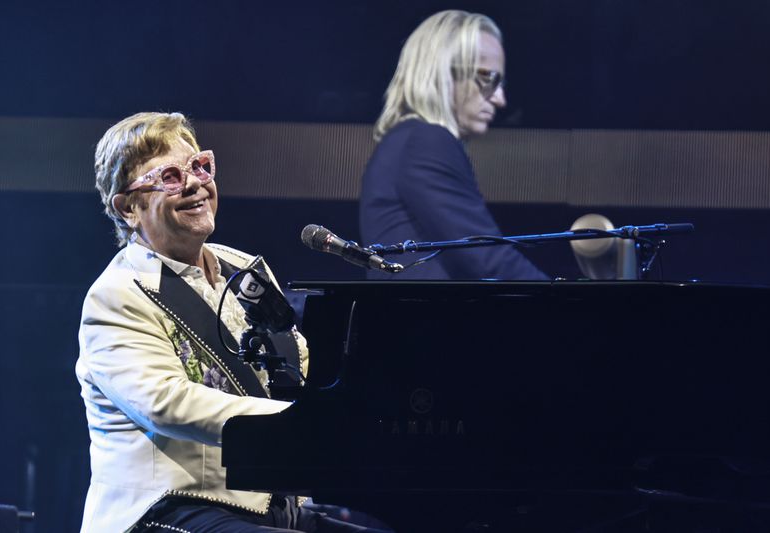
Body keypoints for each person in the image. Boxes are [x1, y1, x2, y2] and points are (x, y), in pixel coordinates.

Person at [76, 112, 388, 532]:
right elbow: (168, 403)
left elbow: (296, 365)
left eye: (200, 166)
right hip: (168, 508)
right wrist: (296, 422)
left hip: (268, 503)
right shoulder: (117, 294)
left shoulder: (243, 269)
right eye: (169, 176)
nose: (194, 183)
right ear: (128, 207)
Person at [359, 10, 549, 280]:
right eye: (488, 78)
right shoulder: (426, 142)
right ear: (443, 72)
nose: (500, 99)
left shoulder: (406, 139)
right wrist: (567, 303)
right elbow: (487, 258)